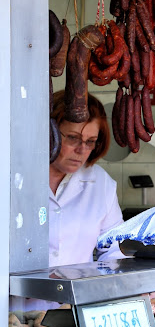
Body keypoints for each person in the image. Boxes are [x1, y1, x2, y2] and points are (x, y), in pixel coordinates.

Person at [49, 90, 125, 267]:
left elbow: (114, 250)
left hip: (78, 293)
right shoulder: (16, 176)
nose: (81, 150)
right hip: (14, 294)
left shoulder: (100, 182)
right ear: (50, 132)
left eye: (90, 141)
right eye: (73, 138)